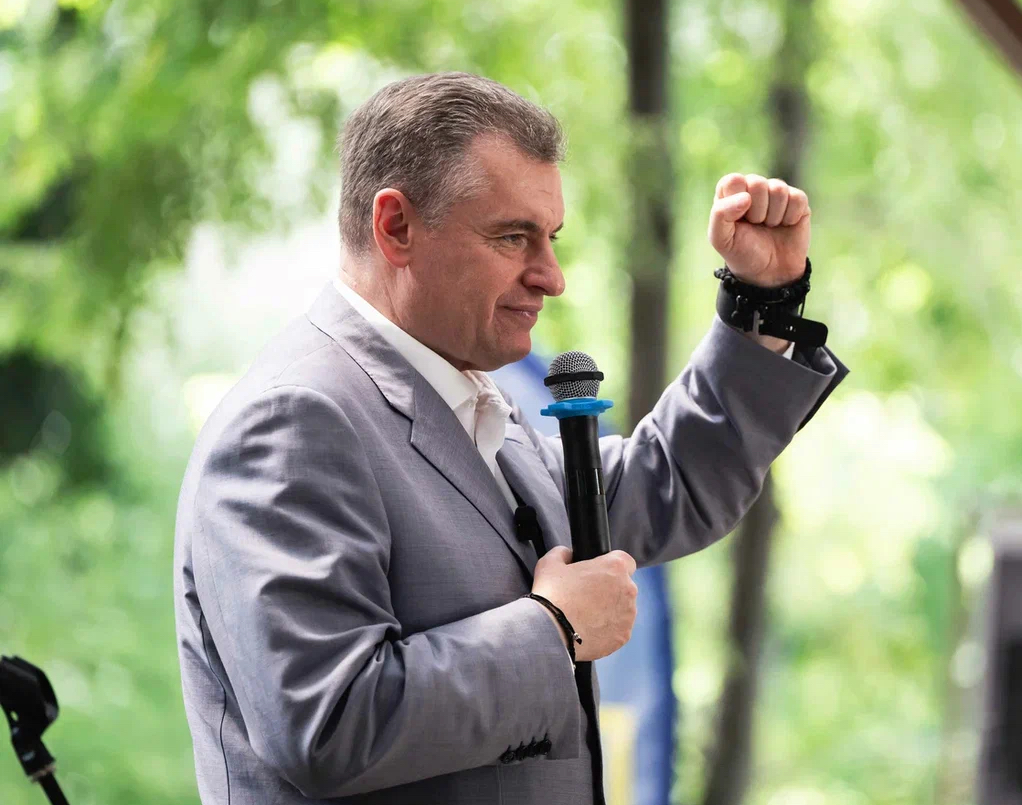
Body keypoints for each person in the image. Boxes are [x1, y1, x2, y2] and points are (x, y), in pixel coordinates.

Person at [174, 71, 848, 805]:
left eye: (550, 239)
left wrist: (762, 301)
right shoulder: (291, 421)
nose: (552, 277)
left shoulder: (468, 401)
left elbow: (665, 483)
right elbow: (328, 721)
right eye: (513, 237)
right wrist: (555, 629)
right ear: (396, 227)